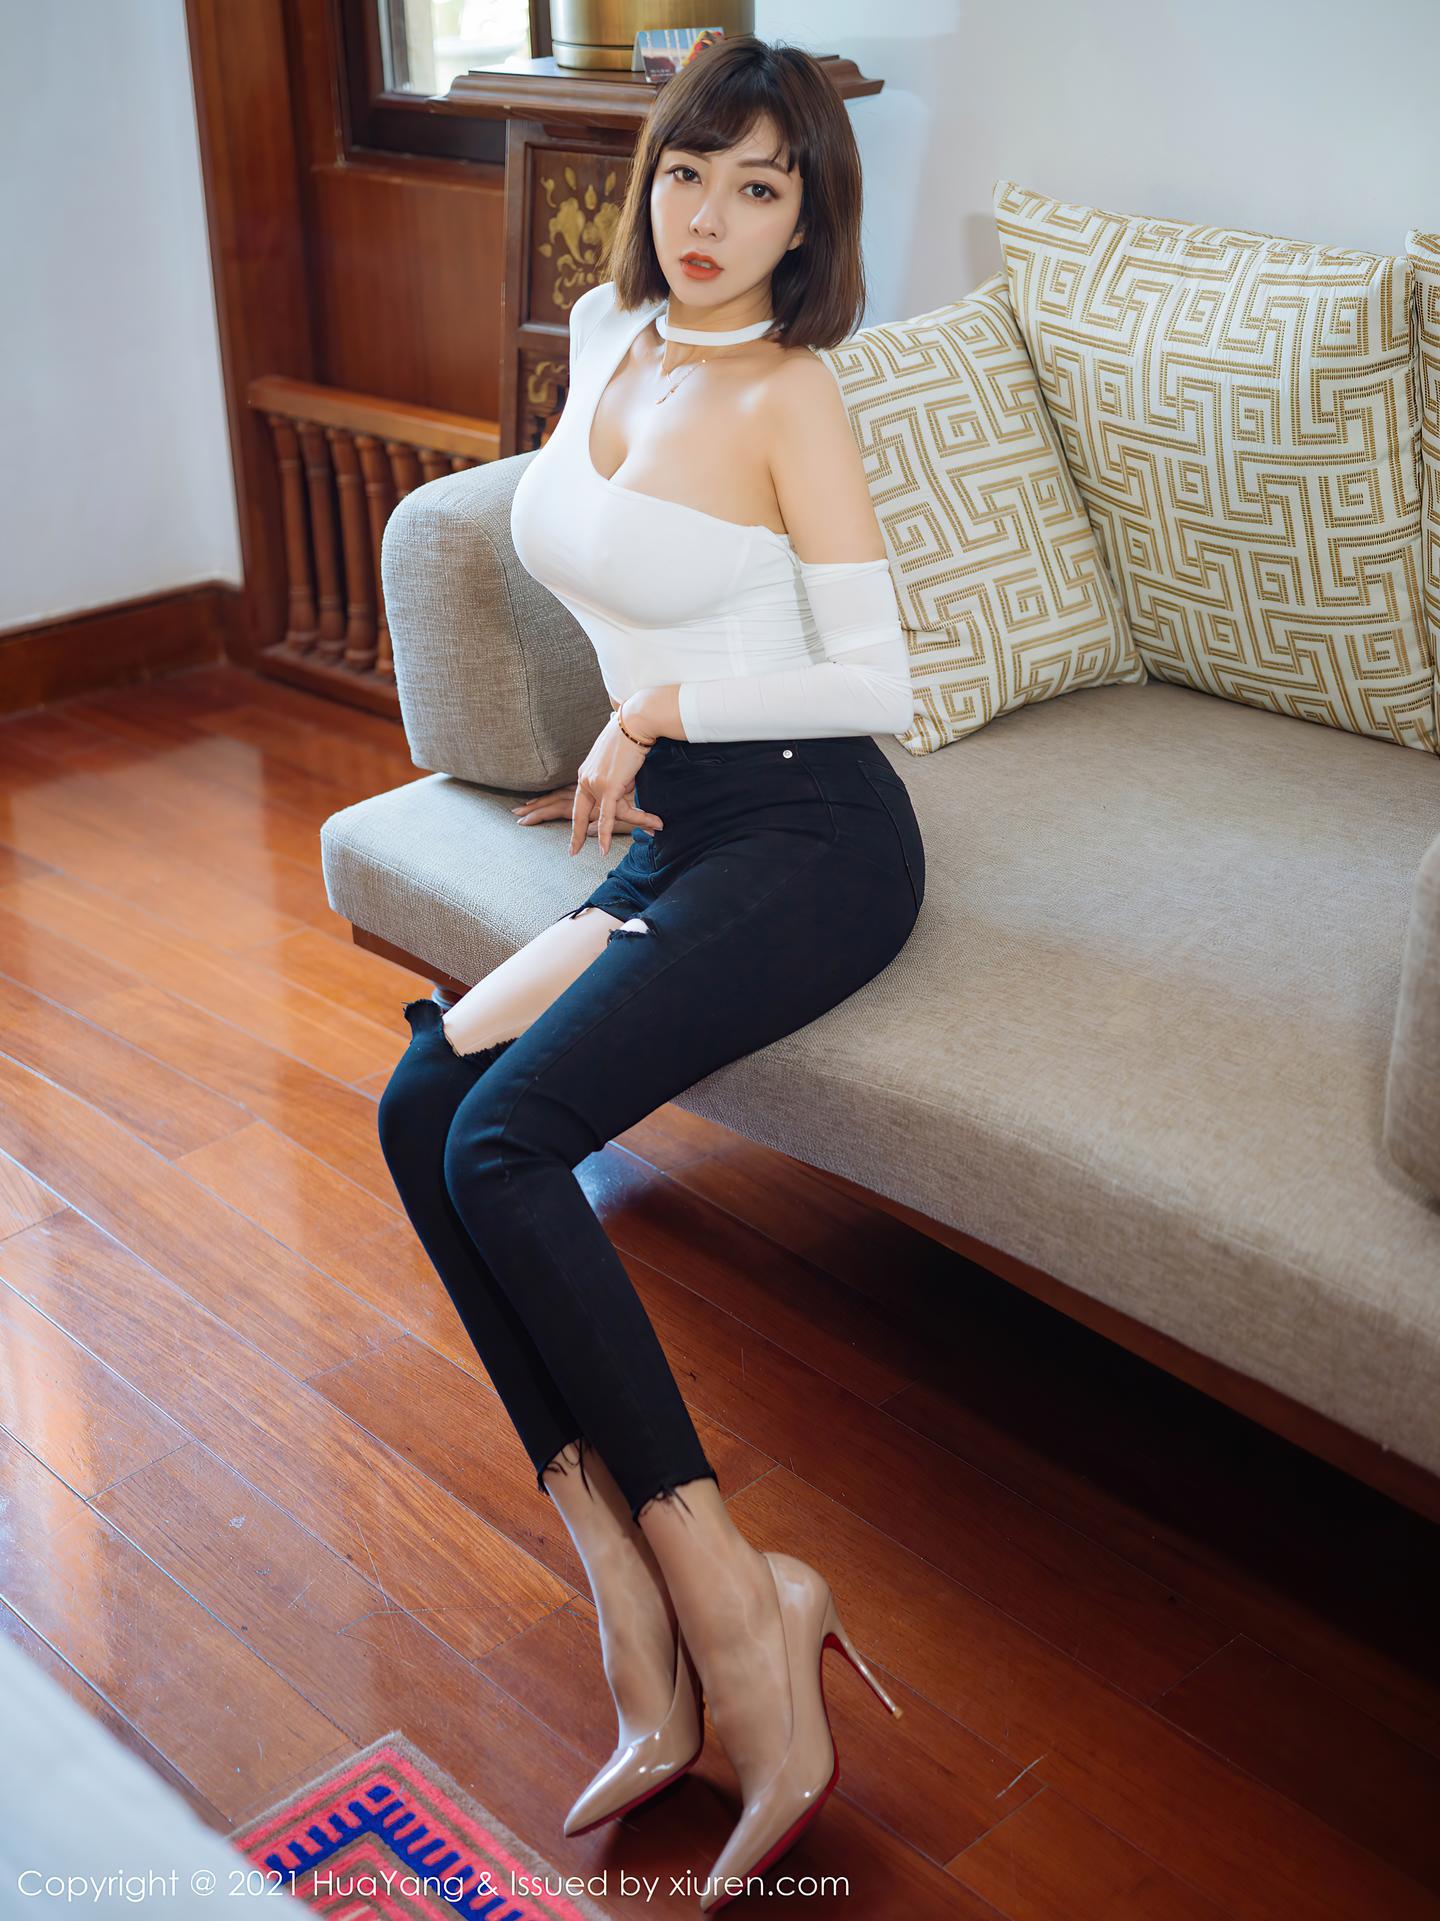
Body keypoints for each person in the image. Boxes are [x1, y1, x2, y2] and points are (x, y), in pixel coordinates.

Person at [376, 32, 920, 1913]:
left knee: (508, 1137)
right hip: (684, 832)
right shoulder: (613, 337)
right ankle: (626, 1586)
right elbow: (597, 546)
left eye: (763, 188)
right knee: (423, 1099)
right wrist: (620, 741)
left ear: (808, 221)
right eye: (692, 169)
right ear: (652, 173)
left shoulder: (792, 393)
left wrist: (660, 707)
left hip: (818, 838)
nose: (712, 216)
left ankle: (743, 1609)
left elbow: (881, 681)